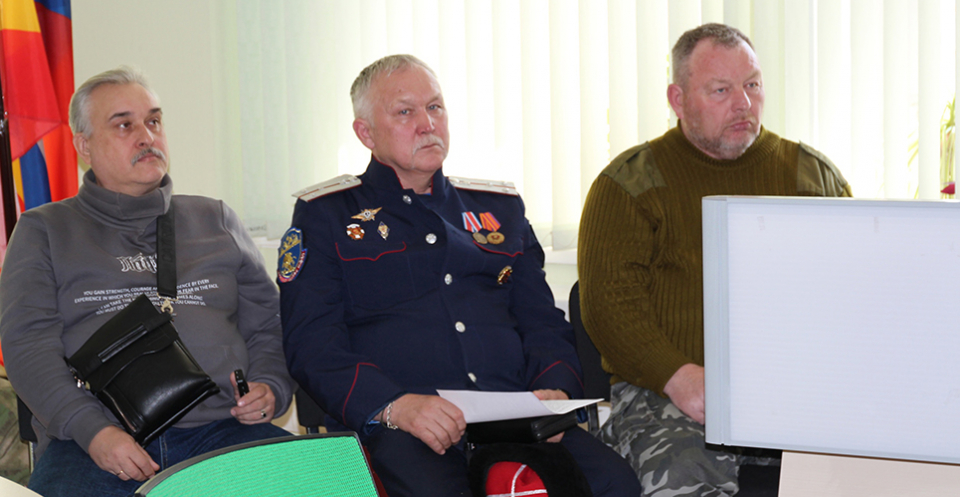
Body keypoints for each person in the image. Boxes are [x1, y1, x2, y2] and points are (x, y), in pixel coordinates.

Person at [280, 54, 639, 497]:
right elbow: (312, 344)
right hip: (404, 425)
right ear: (365, 133)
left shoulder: (499, 209)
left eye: (435, 107)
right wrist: (394, 406)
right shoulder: (326, 214)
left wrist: (555, 389)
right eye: (405, 112)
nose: (427, 124)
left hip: (515, 417)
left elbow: (541, 321)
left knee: (613, 483)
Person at [578, 23, 852, 496]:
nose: (743, 103)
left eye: (753, 85)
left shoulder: (812, 177)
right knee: (683, 477)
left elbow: (855, 289)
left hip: (797, 392)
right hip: (668, 391)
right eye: (721, 90)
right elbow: (609, 307)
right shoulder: (629, 185)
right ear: (678, 99)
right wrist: (677, 375)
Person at [0, 67, 294, 497]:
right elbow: (27, 349)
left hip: (224, 430)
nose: (146, 136)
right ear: (84, 145)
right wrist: (94, 432)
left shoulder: (214, 218)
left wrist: (270, 386)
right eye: (124, 125)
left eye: (153, 121)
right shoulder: (44, 230)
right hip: (94, 443)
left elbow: (269, 324)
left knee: (331, 483)